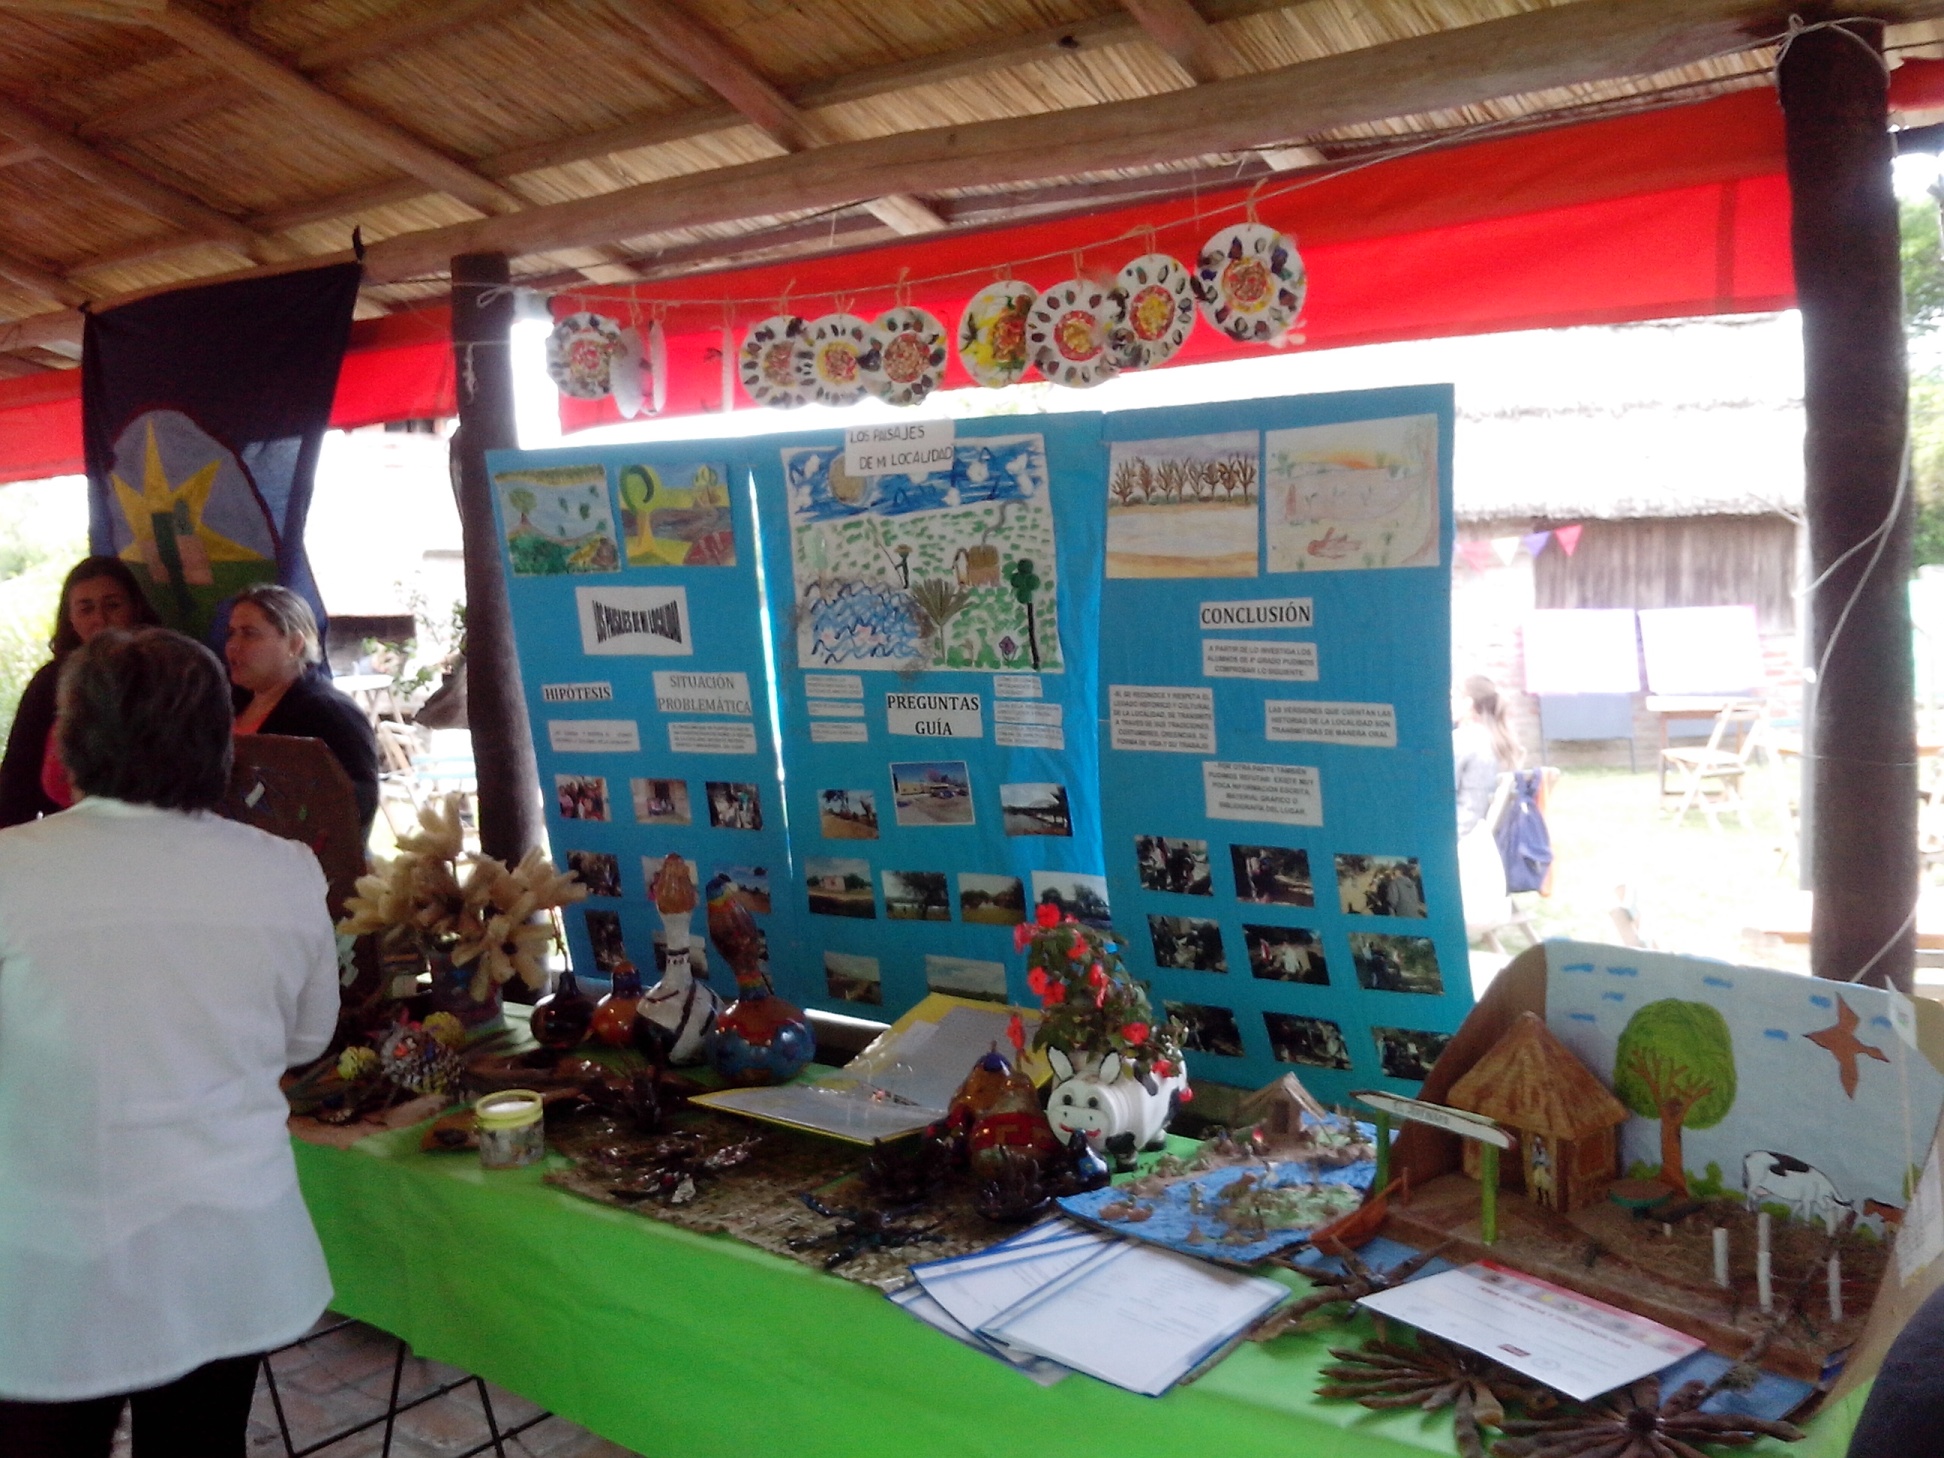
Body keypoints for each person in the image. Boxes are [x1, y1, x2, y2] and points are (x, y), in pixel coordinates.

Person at [0, 628, 339, 1457]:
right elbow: (307, 1038)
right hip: (226, 1244)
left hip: (48, 1254)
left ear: (70, 741)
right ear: (218, 742)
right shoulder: (284, 869)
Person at [0, 556, 159, 828]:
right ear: (70, 618)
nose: (100, 619)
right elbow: (17, 783)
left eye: (113, 605)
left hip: (159, 833)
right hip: (66, 835)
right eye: (86, 609)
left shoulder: (167, 675)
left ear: (135, 608)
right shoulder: (49, 683)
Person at [226, 583, 380, 837]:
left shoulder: (329, 712)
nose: (233, 645)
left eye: (249, 634)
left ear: (295, 644)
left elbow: (356, 805)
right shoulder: (228, 704)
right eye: (231, 633)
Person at [1452, 674, 1523, 837]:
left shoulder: (1464, 739)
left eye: (1453, 698)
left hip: (1461, 837)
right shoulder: (1504, 740)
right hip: (1495, 837)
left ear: (1468, 703)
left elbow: (1440, 793)